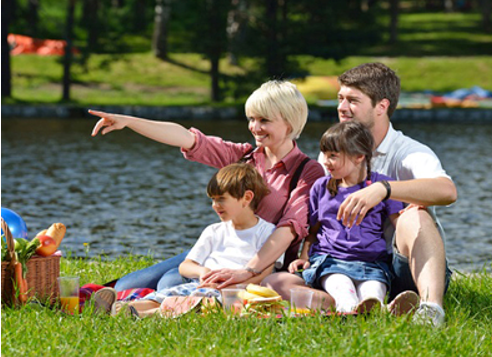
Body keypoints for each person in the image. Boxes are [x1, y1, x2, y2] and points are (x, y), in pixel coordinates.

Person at [263, 63, 457, 326]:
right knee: (277, 282)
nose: (342, 107)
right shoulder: (333, 154)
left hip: (404, 269)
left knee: (415, 215)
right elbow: (319, 216)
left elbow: (447, 191)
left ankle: (431, 309)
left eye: (353, 100)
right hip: (340, 263)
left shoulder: (409, 151)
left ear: (381, 106)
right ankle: (348, 305)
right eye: (340, 98)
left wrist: (383, 189)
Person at [90, 80, 325, 292]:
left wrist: (248, 271)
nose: (255, 127)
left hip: (261, 261)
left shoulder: (307, 171)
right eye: (252, 119)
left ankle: (154, 304)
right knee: (125, 286)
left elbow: (289, 230)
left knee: (169, 282)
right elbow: (187, 138)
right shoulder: (243, 157)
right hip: (222, 249)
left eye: (264, 120)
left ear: (289, 123)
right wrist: (129, 121)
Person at [97, 163, 276, 317]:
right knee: (165, 297)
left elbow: (266, 271)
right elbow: (185, 265)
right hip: (201, 284)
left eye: (221, 199)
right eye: (213, 200)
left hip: (233, 292)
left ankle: (139, 314)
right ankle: (120, 308)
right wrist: (201, 271)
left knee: (194, 303)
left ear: (247, 198)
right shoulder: (214, 230)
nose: (215, 206)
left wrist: (236, 286)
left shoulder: (267, 231)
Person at [287, 121, 413, 314]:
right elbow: (313, 232)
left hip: (372, 264)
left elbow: (400, 223)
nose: (325, 162)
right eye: (325, 155)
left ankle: (378, 308)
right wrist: (304, 258)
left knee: (372, 293)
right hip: (332, 262)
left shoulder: (381, 186)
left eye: (333, 157)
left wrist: (414, 213)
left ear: (359, 157)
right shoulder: (321, 187)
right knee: (343, 289)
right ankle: (363, 310)